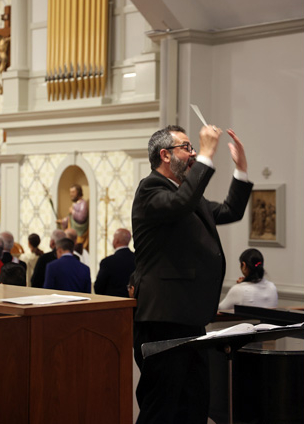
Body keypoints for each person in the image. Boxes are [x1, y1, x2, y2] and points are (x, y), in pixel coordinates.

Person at [131, 124, 253, 424]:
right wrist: (208, 155)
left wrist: (241, 170)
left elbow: (230, 211)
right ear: (164, 155)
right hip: (163, 318)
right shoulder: (151, 189)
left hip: (190, 318)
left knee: (194, 406)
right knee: (162, 408)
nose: (194, 152)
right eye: (187, 147)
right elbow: (179, 203)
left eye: (193, 148)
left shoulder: (189, 198)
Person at [94, 228, 136, 298]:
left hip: (112, 304)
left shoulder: (107, 262)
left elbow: (98, 288)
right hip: (132, 304)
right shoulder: (136, 259)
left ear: (116, 241)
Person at [57, 184, 89, 250]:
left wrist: (73, 212)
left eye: (73, 192)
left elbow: (82, 217)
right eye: (70, 192)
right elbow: (70, 218)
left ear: (79, 192)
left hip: (80, 233)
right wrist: (63, 221)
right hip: (72, 234)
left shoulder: (83, 204)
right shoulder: (75, 204)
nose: (71, 194)